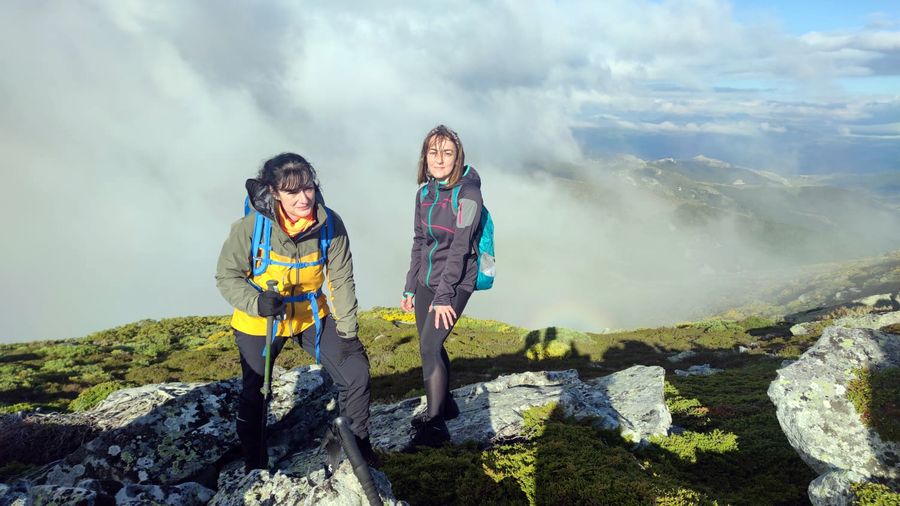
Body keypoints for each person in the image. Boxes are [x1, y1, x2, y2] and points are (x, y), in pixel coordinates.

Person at [216, 153, 377, 471]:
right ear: (274, 192)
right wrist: (256, 303)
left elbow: (341, 280)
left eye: (308, 188)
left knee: (356, 373)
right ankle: (255, 466)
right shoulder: (251, 227)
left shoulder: (330, 224)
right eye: (292, 191)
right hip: (260, 319)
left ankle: (356, 450)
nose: (304, 198)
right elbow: (227, 275)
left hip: (309, 315)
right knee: (256, 392)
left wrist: (348, 332)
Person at [401, 125, 484, 448]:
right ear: (425, 157)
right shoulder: (424, 194)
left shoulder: (469, 195)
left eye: (447, 153)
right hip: (427, 279)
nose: (439, 159)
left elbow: (460, 248)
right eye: (433, 152)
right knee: (431, 343)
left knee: (429, 346)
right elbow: (419, 241)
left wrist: (445, 295)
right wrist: (411, 286)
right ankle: (446, 404)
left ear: (457, 157)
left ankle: (435, 426)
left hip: (456, 281)